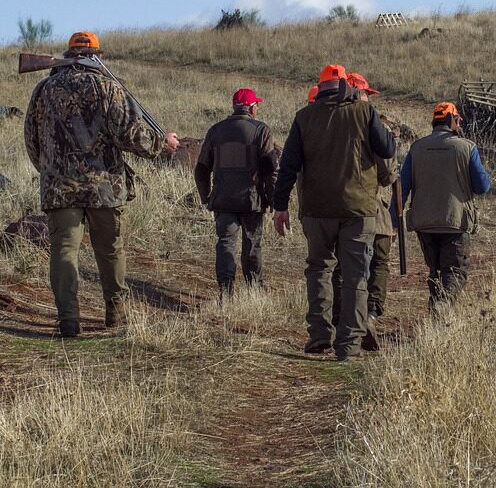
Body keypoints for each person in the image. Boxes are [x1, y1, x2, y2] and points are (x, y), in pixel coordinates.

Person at [24, 31, 179, 337]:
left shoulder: (43, 89)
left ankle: (68, 318)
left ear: (68, 54)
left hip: (60, 188)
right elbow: (130, 135)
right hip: (105, 188)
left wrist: (50, 171)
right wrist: (163, 144)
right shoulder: (108, 87)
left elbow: (32, 139)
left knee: (64, 251)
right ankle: (116, 314)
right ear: (97, 55)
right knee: (109, 251)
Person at [273, 64, 396, 361]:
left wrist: (280, 207)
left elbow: (288, 165)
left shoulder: (304, 118)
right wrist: (367, 111)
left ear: (320, 88)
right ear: (345, 87)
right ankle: (349, 345)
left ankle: (319, 335)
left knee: (319, 270)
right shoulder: (364, 113)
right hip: (358, 209)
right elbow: (388, 148)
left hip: (316, 210)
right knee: (356, 276)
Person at [396, 102, 491, 313]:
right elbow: (482, 187)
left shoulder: (416, 148)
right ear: (452, 121)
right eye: (458, 119)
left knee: (436, 270)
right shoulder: (467, 147)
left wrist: (394, 221)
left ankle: (438, 315)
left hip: (424, 224)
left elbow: (402, 188)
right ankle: (443, 305)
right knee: (455, 272)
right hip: (455, 222)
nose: (460, 123)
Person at [331, 72, 398, 351]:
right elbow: (386, 176)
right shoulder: (374, 124)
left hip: (336, 209)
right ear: (360, 94)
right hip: (372, 212)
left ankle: (339, 319)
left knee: (342, 267)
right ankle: (368, 316)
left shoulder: (332, 123)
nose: (369, 98)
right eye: (367, 93)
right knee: (378, 264)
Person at [194, 88, 279, 297]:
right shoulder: (261, 130)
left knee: (225, 244)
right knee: (252, 245)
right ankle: (255, 290)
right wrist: (274, 200)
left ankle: (226, 290)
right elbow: (270, 170)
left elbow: (201, 169)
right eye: (256, 104)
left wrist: (206, 197)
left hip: (223, 200)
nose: (258, 108)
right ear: (250, 108)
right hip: (251, 201)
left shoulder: (216, 130)